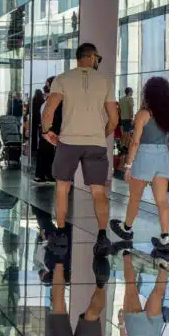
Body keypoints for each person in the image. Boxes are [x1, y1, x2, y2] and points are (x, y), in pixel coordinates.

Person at [41, 42, 119, 257]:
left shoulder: (63, 79)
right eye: (98, 59)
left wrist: (47, 131)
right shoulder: (104, 82)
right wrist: (100, 135)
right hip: (95, 142)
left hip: (68, 141)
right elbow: (114, 119)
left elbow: (49, 110)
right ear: (92, 57)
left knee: (62, 187)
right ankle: (102, 236)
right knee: (98, 191)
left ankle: (60, 234)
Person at [110, 76, 169, 251]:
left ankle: (127, 228)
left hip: (144, 157)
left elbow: (135, 142)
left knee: (135, 197)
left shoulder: (143, 114)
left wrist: (127, 165)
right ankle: (165, 237)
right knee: (162, 201)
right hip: (163, 157)